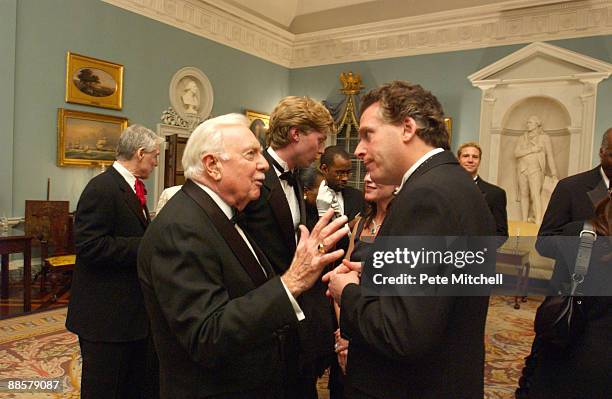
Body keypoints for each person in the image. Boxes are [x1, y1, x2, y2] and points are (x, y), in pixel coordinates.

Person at [137, 114, 349, 398]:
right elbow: (207, 336)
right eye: (251, 154)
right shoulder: (181, 228)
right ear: (212, 165)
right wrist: (293, 281)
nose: (263, 164)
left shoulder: (221, 214)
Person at [324, 81, 496, 398]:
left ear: (406, 128)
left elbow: (401, 333)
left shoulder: (426, 196)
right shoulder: (455, 183)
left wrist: (346, 290)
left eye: (367, 134)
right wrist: (379, 268)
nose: (358, 150)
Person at [243, 96, 337, 397]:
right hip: (262, 315)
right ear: (296, 133)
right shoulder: (254, 175)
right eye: (319, 139)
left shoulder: (296, 177)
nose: (322, 149)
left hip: (292, 313)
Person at [66, 124, 162, 399]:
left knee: (132, 385)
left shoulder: (131, 187)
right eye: (154, 155)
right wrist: (146, 245)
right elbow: (90, 246)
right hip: (105, 317)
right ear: (141, 153)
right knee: (104, 389)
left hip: (128, 314)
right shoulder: (102, 188)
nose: (156, 162)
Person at [516, 128, 611, 398]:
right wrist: (584, 244)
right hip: (572, 304)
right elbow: (544, 241)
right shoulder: (572, 187)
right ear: (602, 152)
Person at [329, 172, 396, 398]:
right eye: (366, 173)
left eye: (376, 173)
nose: (367, 178)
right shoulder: (359, 224)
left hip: (378, 326)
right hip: (349, 324)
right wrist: (344, 333)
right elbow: (343, 275)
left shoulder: (402, 228)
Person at [457, 141, 509, 239]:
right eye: (466, 156)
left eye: (475, 157)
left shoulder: (496, 194)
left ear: (479, 161)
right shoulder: (444, 190)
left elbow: (501, 234)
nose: (470, 160)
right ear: (458, 159)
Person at [514, 115, 558, 223]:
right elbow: (516, 153)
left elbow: (550, 156)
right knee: (524, 194)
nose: (527, 124)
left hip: (536, 169)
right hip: (522, 169)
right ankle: (524, 220)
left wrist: (554, 173)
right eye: (527, 122)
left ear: (537, 124)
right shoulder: (522, 138)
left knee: (535, 194)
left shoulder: (544, 138)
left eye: (530, 122)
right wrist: (532, 149)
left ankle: (538, 221)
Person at [317, 145, 365, 229]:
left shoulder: (358, 196)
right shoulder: (312, 196)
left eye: (348, 172)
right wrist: (350, 226)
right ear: (324, 169)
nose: (345, 178)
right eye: (339, 173)